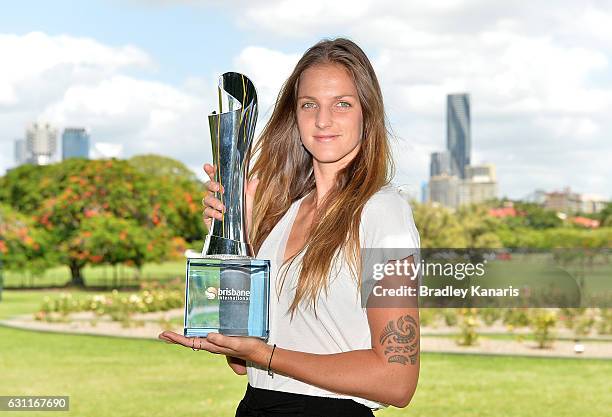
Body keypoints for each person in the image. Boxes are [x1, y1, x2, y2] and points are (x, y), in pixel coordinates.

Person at [159, 37, 421, 416]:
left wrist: (266, 355)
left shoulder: (384, 213)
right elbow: (243, 362)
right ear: (293, 115)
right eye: (309, 104)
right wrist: (237, 237)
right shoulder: (283, 216)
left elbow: (396, 381)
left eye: (342, 104)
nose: (323, 120)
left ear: (368, 114)